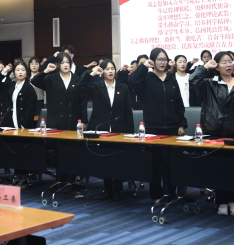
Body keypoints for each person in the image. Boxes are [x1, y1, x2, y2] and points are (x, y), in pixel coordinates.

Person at [190, 51, 234, 216]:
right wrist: (205, 67)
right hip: (215, 132)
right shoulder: (209, 83)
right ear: (217, 66)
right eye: (224, 62)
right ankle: (221, 201)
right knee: (219, 169)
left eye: (231, 61)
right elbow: (193, 80)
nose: (228, 65)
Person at [129, 48, 186, 199]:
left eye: (164, 59)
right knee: (155, 162)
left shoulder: (171, 78)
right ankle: (155, 193)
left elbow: (178, 102)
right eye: (159, 59)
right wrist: (143, 66)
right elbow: (132, 80)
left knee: (172, 162)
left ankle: (171, 192)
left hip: (172, 127)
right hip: (153, 127)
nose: (162, 62)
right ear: (153, 61)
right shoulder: (146, 78)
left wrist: (181, 124)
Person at [78, 60, 134, 200]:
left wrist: (130, 133)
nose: (110, 71)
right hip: (101, 129)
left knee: (117, 160)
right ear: (102, 72)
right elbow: (80, 86)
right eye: (107, 69)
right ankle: (107, 188)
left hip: (119, 129)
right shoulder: (97, 87)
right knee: (105, 160)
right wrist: (92, 74)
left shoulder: (123, 87)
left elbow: (128, 111)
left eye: (112, 68)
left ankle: (118, 189)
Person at [0, 61, 38, 187]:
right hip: (11, 122)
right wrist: (4, 71)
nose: (20, 72)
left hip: (23, 125)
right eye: (18, 70)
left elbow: (31, 110)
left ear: (26, 72)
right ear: (14, 72)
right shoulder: (11, 85)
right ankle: (17, 175)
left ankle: (24, 178)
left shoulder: (29, 88)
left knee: (23, 152)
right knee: (14, 151)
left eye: (23, 70)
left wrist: (23, 125)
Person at [30, 53, 87, 130]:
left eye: (67, 62)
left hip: (73, 121)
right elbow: (34, 81)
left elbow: (82, 102)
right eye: (62, 63)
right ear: (57, 64)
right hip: (55, 121)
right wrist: (46, 70)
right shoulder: (51, 78)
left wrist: (84, 121)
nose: (65, 65)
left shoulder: (78, 79)